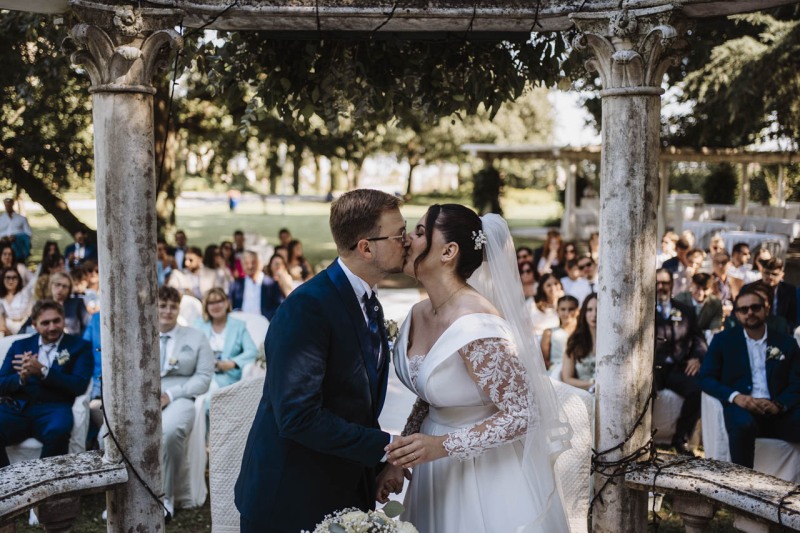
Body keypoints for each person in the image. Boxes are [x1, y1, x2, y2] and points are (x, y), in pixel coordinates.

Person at [384, 205, 570, 532]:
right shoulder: (417, 313)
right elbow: (431, 395)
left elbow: (525, 411)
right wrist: (402, 457)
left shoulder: (478, 325)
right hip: (432, 467)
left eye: (419, 232)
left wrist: (442, 446)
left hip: (482, 473)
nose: (407, 240)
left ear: (448, 251)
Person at [235, 189, 407, 532]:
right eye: (399, 234)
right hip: (290, 500)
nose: (407, 240)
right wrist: (384, 447)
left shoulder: (369, 302)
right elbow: (298, 417)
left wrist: (372, 469)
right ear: (366, 247)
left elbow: (353, 403)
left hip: (339, 488)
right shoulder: (307, 309)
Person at [698, 288, 800, 468]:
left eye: (755, 307)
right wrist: (736, 397)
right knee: (742, 424)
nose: (750, 312)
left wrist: (779, 405)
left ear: (765, 309)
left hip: (777, 410)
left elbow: (797, 381)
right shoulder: (723, 341)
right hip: (742, 407)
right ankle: (743, 484)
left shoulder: (786, 343)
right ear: (736, 315)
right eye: (743, 310)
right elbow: (705, 378)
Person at [0, 299, 93, 467]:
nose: (52, 327)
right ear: (35, 325)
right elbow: (1, 384)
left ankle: (46, 487)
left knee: (58, 432)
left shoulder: (79, 347)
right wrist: (20, 378)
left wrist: (43, 371)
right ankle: (7, 483)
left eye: (56, 321)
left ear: (63, 319)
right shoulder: (19, 346)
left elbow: (79, 385)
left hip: (54, 408)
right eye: (45, 323)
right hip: (18, 408)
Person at [156, 285, 213, 516]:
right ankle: (122, 498)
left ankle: (166, 498)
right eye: (162, 305)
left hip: (180, 397)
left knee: (169, 432)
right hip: (141, 397)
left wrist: (172, 395)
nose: (168, 311)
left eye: (173, 306)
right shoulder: (138, 335)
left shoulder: (195, 337)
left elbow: (204, 378)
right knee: (109, 434)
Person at [654, 268, 707, 455]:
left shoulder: (685, 310)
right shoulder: (643, 310)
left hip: (678, 366)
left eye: (665, 283)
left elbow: (699, 339)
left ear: (671, 285)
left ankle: (681, 438)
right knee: (645, 390)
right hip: (653, 368)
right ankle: (644, 438)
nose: (661, 287)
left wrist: (697, 357)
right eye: (658, 283)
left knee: (698, 389)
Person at [194, 287, 258, 391]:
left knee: (211, 390)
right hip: (202, 373)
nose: (215, 306)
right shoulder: (198, 324)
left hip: (227, 376)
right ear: (206, 306)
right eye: (211, 303)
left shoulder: (239, 326)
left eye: (219, 301)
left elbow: (252, 351)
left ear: (227, 303)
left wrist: (232, 363)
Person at [228, 251, 285, 321]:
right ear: (242, 265)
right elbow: (229, 305)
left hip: (264, 324)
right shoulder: (236, 285)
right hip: (241, 323)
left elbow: (279, 306)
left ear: (260, 264)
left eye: (253, 262)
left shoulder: (271, 284)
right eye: (246, 263)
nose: (250, 266)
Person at [561, 293, 598, 391]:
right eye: (589, 310)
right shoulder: (575, 341)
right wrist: (592, 384)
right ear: (584, 313)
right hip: (582, 394)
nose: (594, 314)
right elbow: (567, 378)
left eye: (598, 310)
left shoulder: (612, 343)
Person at [541, 295, 579, 373]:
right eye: (563, 309)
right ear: (557, 310)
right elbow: (544, 360)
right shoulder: (549, 332)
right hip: (556, 372)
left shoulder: (583, 332)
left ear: (577, 311)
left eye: (571, 309)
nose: (567, 313)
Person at [757, 258, 797, 329]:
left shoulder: (789, 290)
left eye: (774, 274)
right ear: (762, 272)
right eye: (767, 273)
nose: (770, 277)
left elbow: (792, 318)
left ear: (782, 275)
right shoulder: (749, 288)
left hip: (780, 330)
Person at [0, 267, 32, 335]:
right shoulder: (1, 298)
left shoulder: (25, 292)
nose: (11, 281)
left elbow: (35, 281)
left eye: (14, 277)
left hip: (26, 326)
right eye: (8, 277)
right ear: (3, 279)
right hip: (7, 330)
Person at [529, 273, 562, 339]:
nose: (553, 288)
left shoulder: (565, 302)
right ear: (542, 288)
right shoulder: (533, 302)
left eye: (556, 283)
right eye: (548, 285)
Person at [0, 197, 32, 262]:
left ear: (12, 204)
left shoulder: (21, 218)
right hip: (2, 243)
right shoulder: (1, 219)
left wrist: (17, 237)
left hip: (16, 243)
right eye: (6, 205)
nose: (8, 206)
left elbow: (28, 233)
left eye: (9, 204)